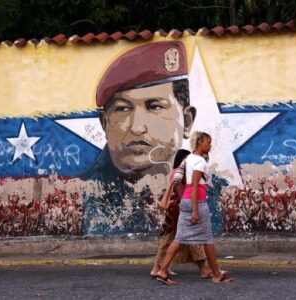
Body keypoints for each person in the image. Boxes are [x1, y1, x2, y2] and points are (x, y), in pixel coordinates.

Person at [80, 41, 197, 235]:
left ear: (187, 121)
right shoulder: (83, 194)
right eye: (123, 109)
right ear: (104, 123)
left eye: (155, 106)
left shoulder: (212, 190)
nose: (137, 127)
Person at [155, 131, 233, 285]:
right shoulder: (199, 162)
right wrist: (196, 210)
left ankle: (162, 271)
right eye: (208, 142)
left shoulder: (188, 159)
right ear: (200, 143)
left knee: (178, 239)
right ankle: (216, 275)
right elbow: (195, 185)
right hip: (196, 202)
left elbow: (178, 178)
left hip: (185, 202)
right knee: (208, 239)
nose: (210, 145)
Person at [150, 149, 213, 279]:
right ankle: (204, 269)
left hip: (177, 211)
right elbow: (182, 194)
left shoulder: (179, 172)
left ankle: (160, 268)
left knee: (173, 239)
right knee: (186, 239)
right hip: (179, 211)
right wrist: (193, 208)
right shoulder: (179, 174)